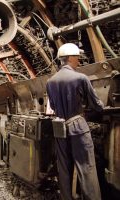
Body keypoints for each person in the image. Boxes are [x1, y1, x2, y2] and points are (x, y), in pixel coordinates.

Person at [46, 43, 103, 200]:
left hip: (60, 127)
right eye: (77, 57)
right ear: (70, 58)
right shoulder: (81, 78)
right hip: (78, 126)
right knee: (86, 167)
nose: (78, 60)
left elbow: (53, 105)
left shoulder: (50, 81)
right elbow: (97, 105)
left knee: (63, 167)